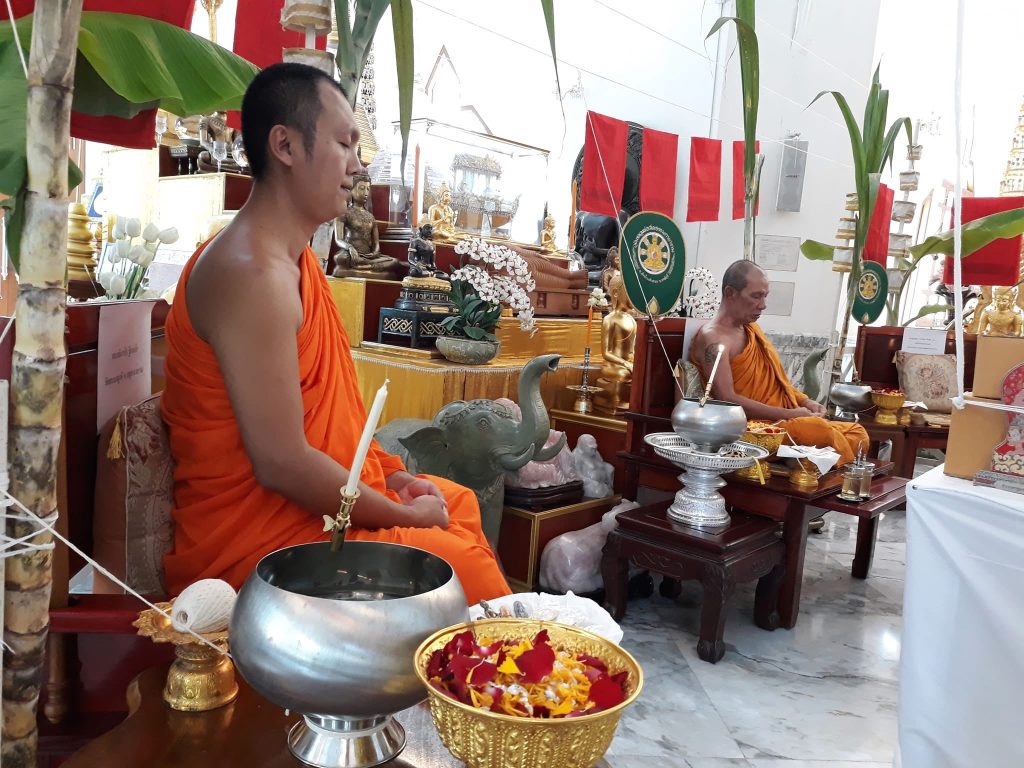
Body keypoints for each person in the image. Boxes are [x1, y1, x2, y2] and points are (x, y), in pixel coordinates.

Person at [160, 63, 510, 605]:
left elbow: (331, 427)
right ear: (285, 146)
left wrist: (390, 480)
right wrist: (397, 513)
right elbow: (282, 464)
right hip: (267, 545)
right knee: (458, 567)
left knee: (456, 504)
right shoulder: (250, 275)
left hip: (315, 514)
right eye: (344, 144)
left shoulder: (293, 262)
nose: (357, 165)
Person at [690, 260, 867, 465]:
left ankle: (807, 459)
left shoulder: (751, 330)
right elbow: (727, 399)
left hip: (784, 422)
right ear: (730, 293)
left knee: (858, 433)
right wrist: (790, 414)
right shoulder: (714, 338)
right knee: (820, 430)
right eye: (756, 296)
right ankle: (809, 460)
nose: (763, 305)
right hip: (750, 429)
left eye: (765, 296)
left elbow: (778, 382)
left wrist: (805, 402)